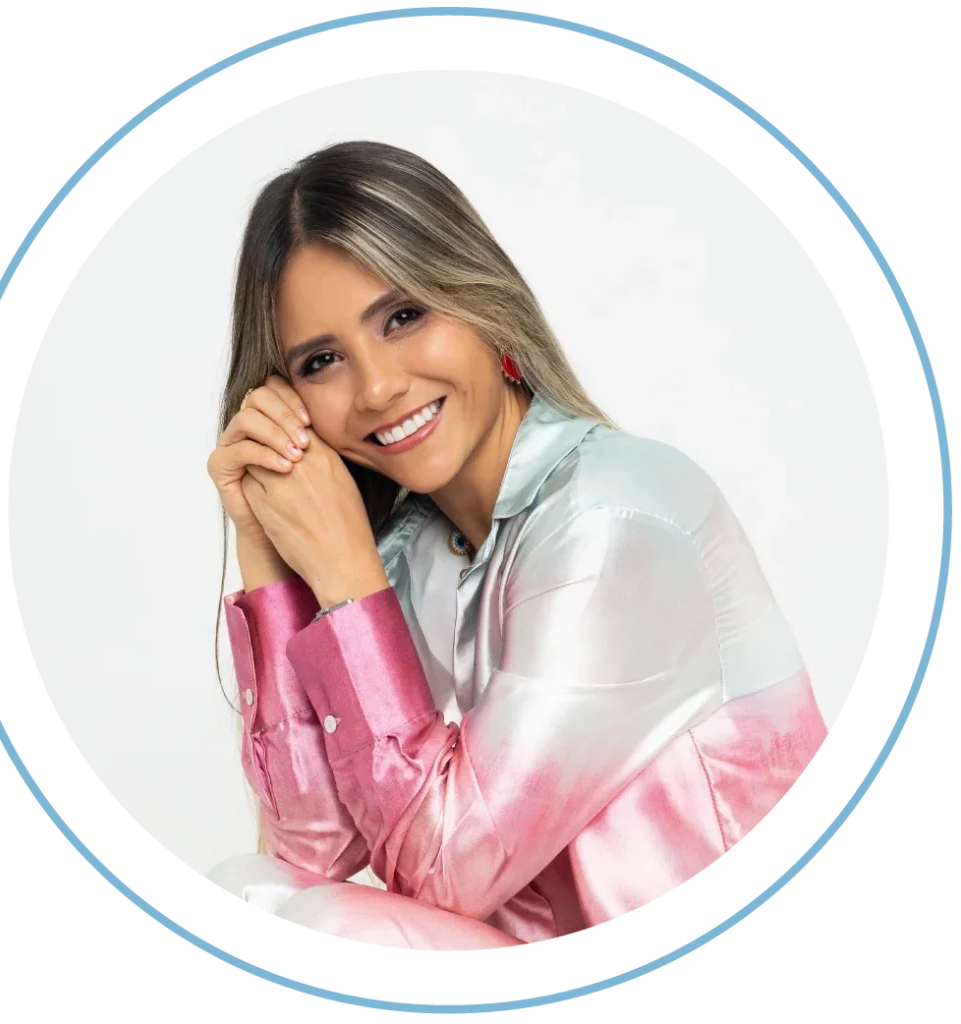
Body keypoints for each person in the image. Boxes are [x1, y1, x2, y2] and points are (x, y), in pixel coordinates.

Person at [203, 140, 829, 951]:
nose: (379, 387)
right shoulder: (415, 552)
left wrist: (350, 585)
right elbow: (308, 854)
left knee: (315, 925)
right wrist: (265, 550)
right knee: (256, 896)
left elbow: (449, 870)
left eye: (404, 316)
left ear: (482, 304)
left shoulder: (611, 522)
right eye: (323, 362)